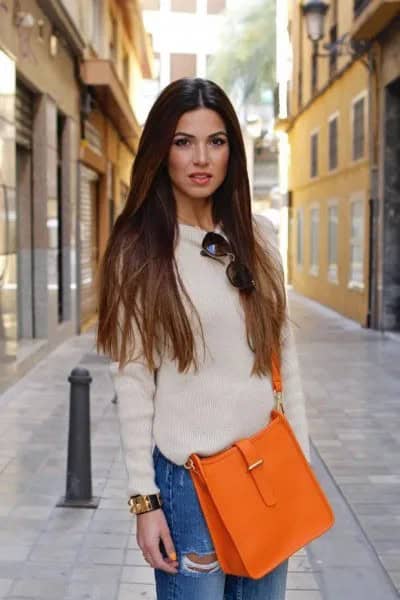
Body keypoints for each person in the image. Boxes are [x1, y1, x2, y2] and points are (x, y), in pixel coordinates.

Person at [97, 77, 310, 600]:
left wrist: (299, 466)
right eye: (182, 141)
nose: (201, 158)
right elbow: (133, 381)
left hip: (266, 473)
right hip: (190, 486)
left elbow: (283, 358)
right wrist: (144, 503)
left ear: (232, 152)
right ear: (160, 151)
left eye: (215, 141)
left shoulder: (259, 238)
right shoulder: (140, 251)